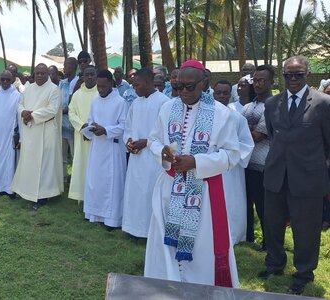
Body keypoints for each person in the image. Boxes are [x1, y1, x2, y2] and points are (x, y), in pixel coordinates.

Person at [144, 60, 241, 288]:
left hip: (204, 192)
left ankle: (199, 287)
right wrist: (163, 152)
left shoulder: (222, 114)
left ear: (204, 83)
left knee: (201, 246)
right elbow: (153, 140)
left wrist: (196, 161)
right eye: (179, 87)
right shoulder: (167, 108)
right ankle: (167, 284)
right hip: (169, 188)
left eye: (190, 87)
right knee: (166, 245)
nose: (183, 92)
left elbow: (232, 155)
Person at [259, 56, 330, 295]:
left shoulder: (323, 103)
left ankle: (303, 273)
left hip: (308, 179)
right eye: (288, 75)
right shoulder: (272, 104)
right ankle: (275, 264)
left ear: (307, 75)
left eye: (298, 74)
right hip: (276, 175)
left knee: (306, 230)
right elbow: (273, 134)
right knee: (272, 224)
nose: (293, 79)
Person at [121, 68, 170, 238]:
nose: (134, 88)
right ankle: (133, 228)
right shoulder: (136, 102)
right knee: (135, 192)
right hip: (136, 157)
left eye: (137, 84)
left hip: (153, 159)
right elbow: (128, 127)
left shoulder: (164, 102)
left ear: (149, 83)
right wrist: (128, 141)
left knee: (150, 192)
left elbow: (166, 134)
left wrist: (145, 142)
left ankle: (150, 231)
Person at [11, 63, 63, 210]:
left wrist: (31, 115)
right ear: (34, 74)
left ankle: (43, 196)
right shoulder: (29, 88)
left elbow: (52, 110)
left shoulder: (54, 89)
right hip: (30, 131)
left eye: (42, 73)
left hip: (46, 131)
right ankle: (27, 191)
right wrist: (23, 112)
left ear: (47, 74)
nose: (39, 75)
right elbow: (20, 104)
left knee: (44, 164)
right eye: (37, 73)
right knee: (30, 162)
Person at [82, 70, 127, 228]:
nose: (100, 89)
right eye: (98, 86)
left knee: (111, 184)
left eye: (103, 86)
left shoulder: (120, 102)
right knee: (95, 181)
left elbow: (124, 126)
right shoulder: (95, 101)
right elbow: (90, 119)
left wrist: (106, 130)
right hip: (97, 147)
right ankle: (93, 214)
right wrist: (90, 127)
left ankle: (111, 219)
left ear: (110, 83)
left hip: (112, 148)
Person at [213, 79, 254, 245]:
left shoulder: (237, 118)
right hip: (208, 167)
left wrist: (230, 156)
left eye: (225, 93)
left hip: (231, 169)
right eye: (218, 92)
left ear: (231, 94)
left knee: (231, 202)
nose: (222, 96)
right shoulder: (203, 116)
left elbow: (247, 144)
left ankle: (233, 236)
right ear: (213, 93)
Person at [242, 65, 274, 250]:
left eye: (263, 80)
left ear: (271, 82)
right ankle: (248, 238)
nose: (259, 84)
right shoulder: (248, 106)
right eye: (256, 80)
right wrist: (249, 130)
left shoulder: (272, 105)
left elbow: (257, 136)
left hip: (263, 164)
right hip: (245, 164)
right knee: (245, 205)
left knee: (263, 207)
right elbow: (236, 132)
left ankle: (268, 244)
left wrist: (246, 129)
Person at [0, 70, 21, 198]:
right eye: (3, 79)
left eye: (8, 79)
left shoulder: (17, 95)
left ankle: (9, 189)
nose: (5, 82)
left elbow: (19, 118)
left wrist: (19, 136)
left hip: (9, 135)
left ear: (12, 80)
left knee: (10, 162)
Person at [68, 65, 98, 202]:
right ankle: (82, 196)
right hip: (81, 136)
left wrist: (93, 129)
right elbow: (71, 113)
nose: (90, 77)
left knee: (96, 167)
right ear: (83, 77)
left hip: (98, 137)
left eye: (92, 74)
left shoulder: (101, 93)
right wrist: (83, 126)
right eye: (87, 75)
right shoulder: (77, 95)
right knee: (82, 164)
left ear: (96, 75)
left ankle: (95, 197)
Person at [59, 57, 79, 181]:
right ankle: (63, 178)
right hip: (61, 124)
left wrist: (62, 111)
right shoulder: (62, 83)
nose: (64, 67)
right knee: (61, 156)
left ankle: (76, 179)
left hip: (73, 125)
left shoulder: (78, 82)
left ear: (73, 67)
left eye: (66, 65)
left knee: (74, 154)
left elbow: (73, 105)